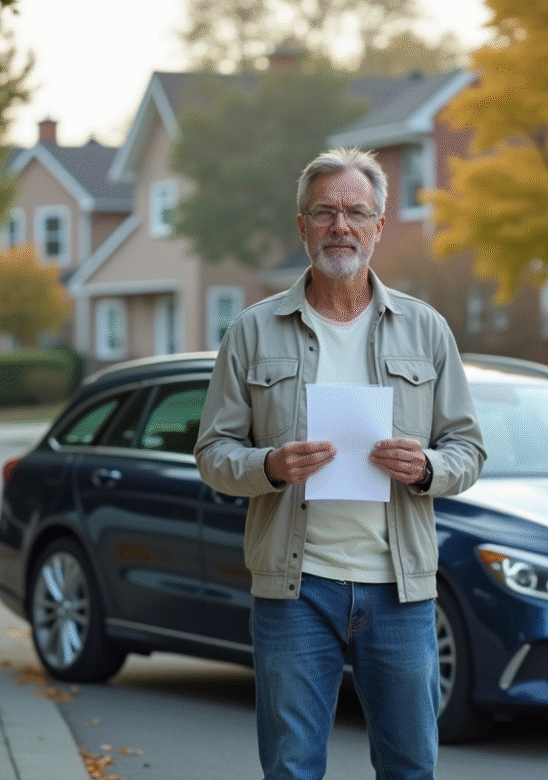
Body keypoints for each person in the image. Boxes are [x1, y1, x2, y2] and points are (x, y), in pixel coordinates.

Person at [194, 146, 486, 780]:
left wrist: (428, 466)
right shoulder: (251, 332)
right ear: (302, 227)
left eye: (356, 212)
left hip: (400, 589)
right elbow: (213, 455)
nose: (340, 227)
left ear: (379, 226)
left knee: (411, 767)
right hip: (295, 589)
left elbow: (469, 448)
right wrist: (269, 465)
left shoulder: (426, 330)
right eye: (324, 212)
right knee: (293, 767)